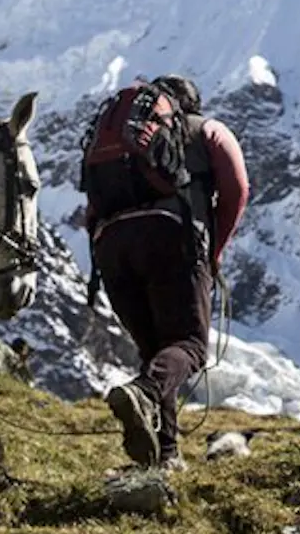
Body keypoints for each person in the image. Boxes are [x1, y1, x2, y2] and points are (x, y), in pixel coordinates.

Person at [86, 75, 250, 470]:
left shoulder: (116, 143)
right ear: (190, 105)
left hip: (110, 247)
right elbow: (237, 189)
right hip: (170, 238)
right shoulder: (205, 129)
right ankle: (143, 395)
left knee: (158, 354)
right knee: (188, 347)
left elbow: (91, 210)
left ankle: (165, 455)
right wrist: (214, 250)